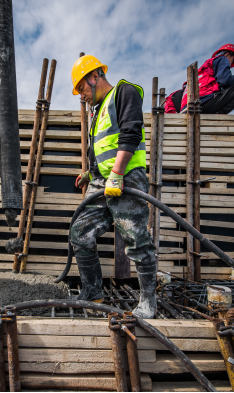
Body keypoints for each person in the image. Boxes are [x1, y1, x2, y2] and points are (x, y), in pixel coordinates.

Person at [70, 55, 157, 319]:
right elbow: (102, 148)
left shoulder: (124, 92)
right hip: (101, 182)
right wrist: (89, 173)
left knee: (136, 238)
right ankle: (93, 291)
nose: (82, 96)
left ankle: (148, 303)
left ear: (94, 77)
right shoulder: (98, 110)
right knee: (80, 232)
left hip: (127, 177)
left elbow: (131, 133)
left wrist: (117, 173)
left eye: (82, 89)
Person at [164, 44, 234, 114]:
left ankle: (217, 112)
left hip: (188, 107)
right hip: (202, 103)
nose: (230, 65)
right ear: (227, 55)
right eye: (231, 62)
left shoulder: (201, 71)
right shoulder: (222, 59)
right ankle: (219, 114)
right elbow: (225, 80)